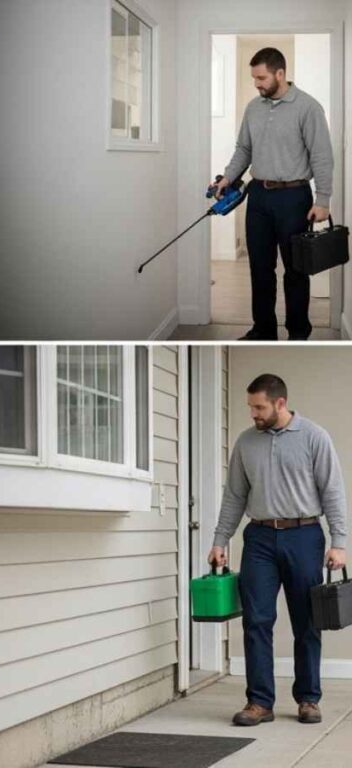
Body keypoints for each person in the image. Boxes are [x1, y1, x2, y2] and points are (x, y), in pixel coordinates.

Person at [208, 373, 347, 726]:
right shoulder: (245, 443)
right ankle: (259, 702)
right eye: (250, 406)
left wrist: (339, 543)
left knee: (307, 621)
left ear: (279, 403)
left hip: (304, 536)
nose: (253, 413)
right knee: (256, 620)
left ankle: (308, 699)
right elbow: (234, 496)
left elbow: (333, 492)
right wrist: (220, 540)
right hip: (259, 539)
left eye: (259, 407)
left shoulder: (314, 437)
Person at [211, 47, 334, 342]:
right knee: (260, 268)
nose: (257, 84)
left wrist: (323, 199)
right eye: (254, 78)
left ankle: (298, 333)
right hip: (259, 197)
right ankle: (263, 330)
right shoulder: (254, 107)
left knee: (295, 271)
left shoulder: (308, 107)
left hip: (294, 198)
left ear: (280, 73)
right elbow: (244, 149)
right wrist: (228, 177)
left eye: (262, 78)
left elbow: (322, 156)